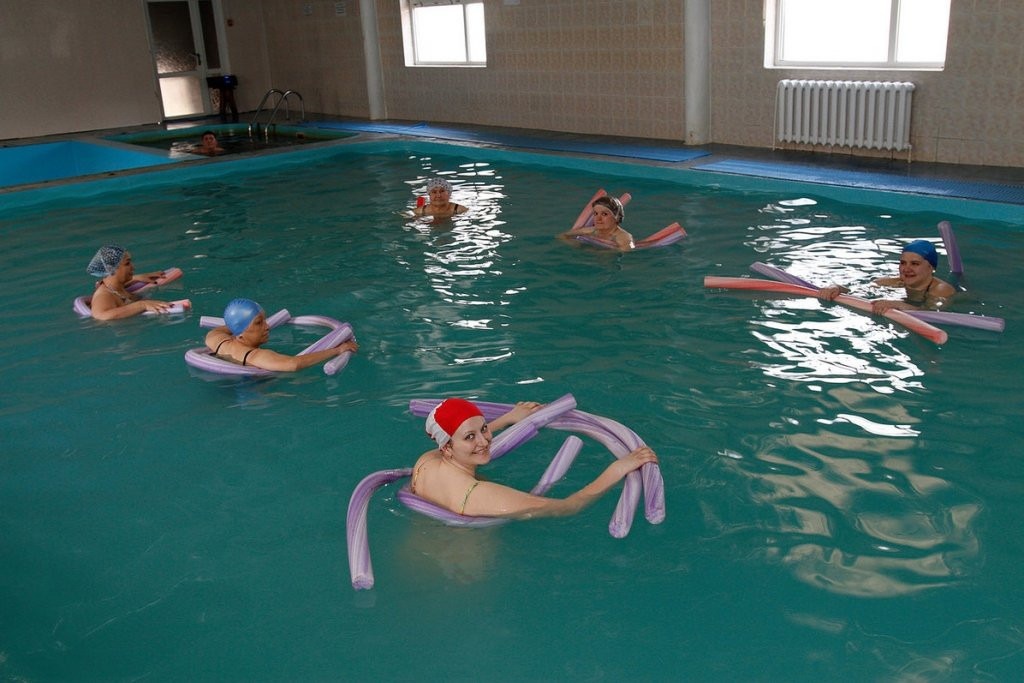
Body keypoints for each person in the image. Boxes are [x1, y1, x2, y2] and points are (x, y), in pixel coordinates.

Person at [409, 398, 658, 518]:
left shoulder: (426, 462)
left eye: (484, 428)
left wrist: (509, 418)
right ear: (447, 448)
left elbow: (467, 437)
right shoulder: (480, 494)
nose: (484, 441)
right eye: (470, 437)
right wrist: (617, 469)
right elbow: (567, 507)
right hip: (467, 566)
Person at [204, 298, 358, 372]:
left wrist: (240, 322)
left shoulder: (215, 339)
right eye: (258, 323)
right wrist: (337, 350)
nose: (267, 326)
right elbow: (293, 364)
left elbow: (231, 326)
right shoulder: (256, 356)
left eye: (265, 319)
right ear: (241, 335)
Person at [817, 239, 956, 312]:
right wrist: (835, 288)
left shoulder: (941, 290)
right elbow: (855, 291)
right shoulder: (895, 282)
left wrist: (898, 305)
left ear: (931, 267)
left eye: (915, 264)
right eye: (903, 263)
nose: (906, 269)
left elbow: (932, 314)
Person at [86, 245, 174, 320]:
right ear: (110, 268)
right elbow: (101, 315)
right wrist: (142, 305)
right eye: (127, 263)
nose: (133, 268)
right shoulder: (104, 296)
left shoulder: (116, 287)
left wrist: (137, 278)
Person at [562, 195, 635, 251]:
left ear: (617, 217)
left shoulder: (623, 237)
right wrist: (574, 244)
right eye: (596, 214)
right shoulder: (591, 231)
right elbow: (563, 236)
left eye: (604, 214)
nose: (598, 219)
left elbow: (627, 249)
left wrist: (596, 251)